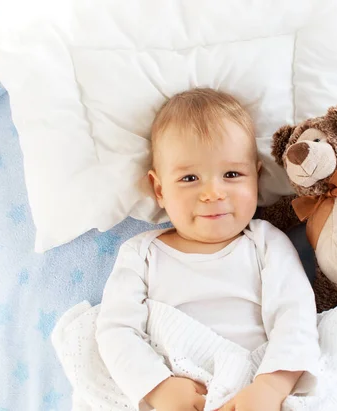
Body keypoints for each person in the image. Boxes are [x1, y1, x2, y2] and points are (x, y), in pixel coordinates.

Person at [95, 88, 321, 411]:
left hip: (257, 385)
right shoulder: (141, 255)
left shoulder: (265, 243)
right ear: (159, 189)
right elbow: (116, 330)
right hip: (177, 393)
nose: (213, 192)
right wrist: (158, 389)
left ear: (256, 178)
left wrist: (270, 387)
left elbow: (296, 316)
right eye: (189, 178)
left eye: (231, 174)